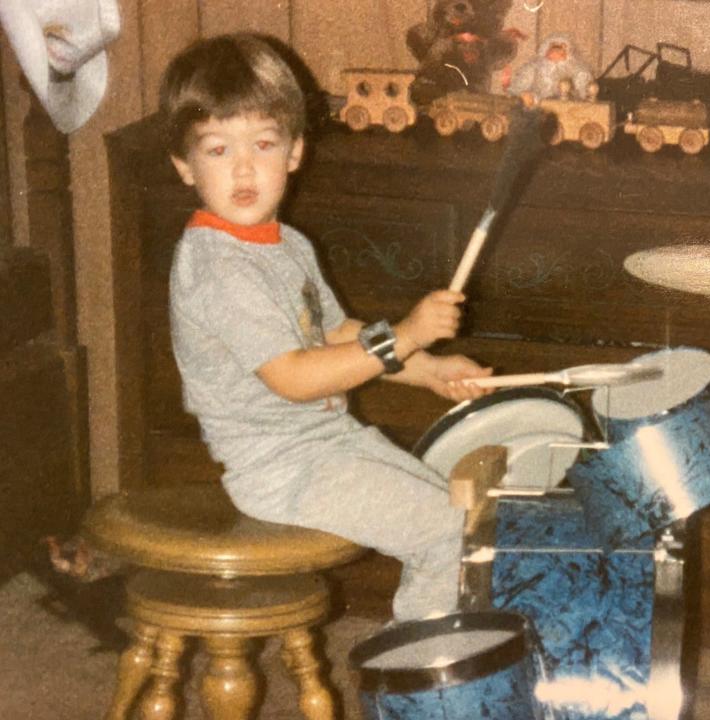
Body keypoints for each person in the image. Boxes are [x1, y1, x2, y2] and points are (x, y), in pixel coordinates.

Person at [159, 33, 493, 622]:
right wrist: (409, 336)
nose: (243, 168)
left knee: (463, 513)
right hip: (280, 470)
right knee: (449, 533)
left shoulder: (286, 245)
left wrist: (431, 371)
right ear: (184, 166)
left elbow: (339, 335)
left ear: (294, 153)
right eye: (217, 150)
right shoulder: (218, 266)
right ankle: (420, 687)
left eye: (263, 144)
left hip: (328, 446)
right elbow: (293, 377)